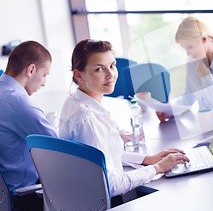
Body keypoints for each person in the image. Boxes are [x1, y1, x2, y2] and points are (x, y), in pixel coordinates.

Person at [58, 39, 189, 199]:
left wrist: (147, 159)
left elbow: (104, 154)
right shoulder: (87, 119)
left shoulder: (74, 103)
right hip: (104, 208)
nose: (110, 74)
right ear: (78, 75)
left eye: (112, 66)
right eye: (99, 69)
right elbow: (111, 185)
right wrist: (157, 168)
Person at [0, 40, 57, 211]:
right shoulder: (18, 102)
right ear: (31, 69)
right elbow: (59, 148)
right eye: (44, 75)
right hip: (21, 203)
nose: (44, 83)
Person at [156, 16, 213, 123]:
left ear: (204, 39)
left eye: (190, 47)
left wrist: (206, 78)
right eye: (184, 48)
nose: (188, 53)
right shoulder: (192, 62)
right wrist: (169, 111)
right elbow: (187, 98)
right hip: (204, 125)